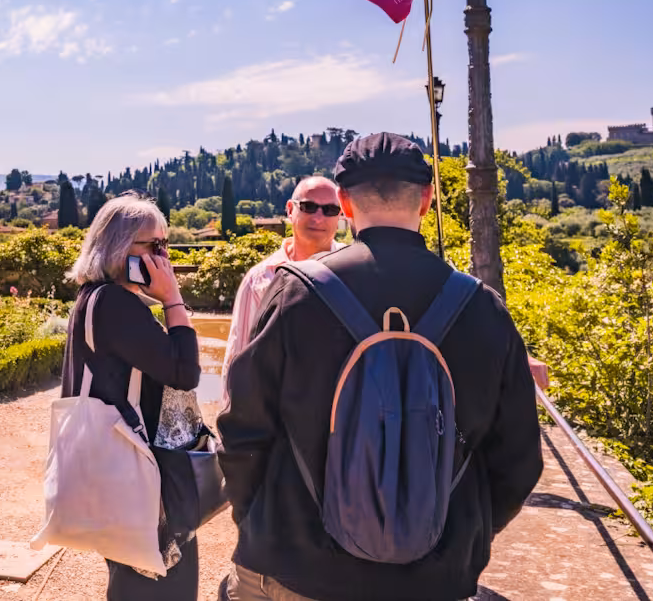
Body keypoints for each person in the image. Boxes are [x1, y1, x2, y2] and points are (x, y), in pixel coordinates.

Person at [217, 133, 543, 601]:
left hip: (295, 567)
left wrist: (260, 524)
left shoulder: (294, 294)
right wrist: (459, 540)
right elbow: (518, 458)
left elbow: (242, 430)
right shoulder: (482, 308)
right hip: (435, 580)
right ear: (427, 200)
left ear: (345, 204)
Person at [61, 194, 202, 601]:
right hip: (138, 475)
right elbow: (185, 373)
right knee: (159, 582)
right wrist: (173, 298)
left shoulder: (94, 299)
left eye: (165, 245)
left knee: (133, 575)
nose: (164, 257)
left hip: (117, 472)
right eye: (153, 246)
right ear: (119, 247)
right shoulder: (114, 303)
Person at [220, 176, 345, 407]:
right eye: (308, 206)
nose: (318, 217)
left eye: (330, 209)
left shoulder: (354, 273)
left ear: (340, 215)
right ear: (290, 210)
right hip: (279, 423)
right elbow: (238, 359)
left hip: (343, 423)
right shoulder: (260, 279)